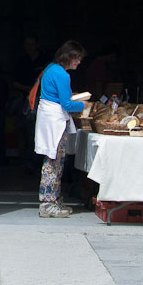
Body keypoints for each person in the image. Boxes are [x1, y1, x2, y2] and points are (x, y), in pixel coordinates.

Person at [35, 40, 86, 218]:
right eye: (77, 58)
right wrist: (84, 105)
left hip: (48, 118)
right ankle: (48, 203)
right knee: (54, 162)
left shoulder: (51, 68)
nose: (79, 62)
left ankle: (53, 200)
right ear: (69, 57)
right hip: (55, 121)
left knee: (52, 159)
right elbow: (66, 103)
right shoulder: (63, 75)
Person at [12, 34, 49, 171]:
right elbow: (14, 82)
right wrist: (30, 89)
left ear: (37, 45)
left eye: (32, 44)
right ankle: (25, 162)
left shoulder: (45, 61)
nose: (29, 47)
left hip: (41, 101)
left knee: (37, 133)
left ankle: (36, 162)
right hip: (23, 101)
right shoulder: (21, 61)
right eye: (27, 44)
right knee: (23, 131)